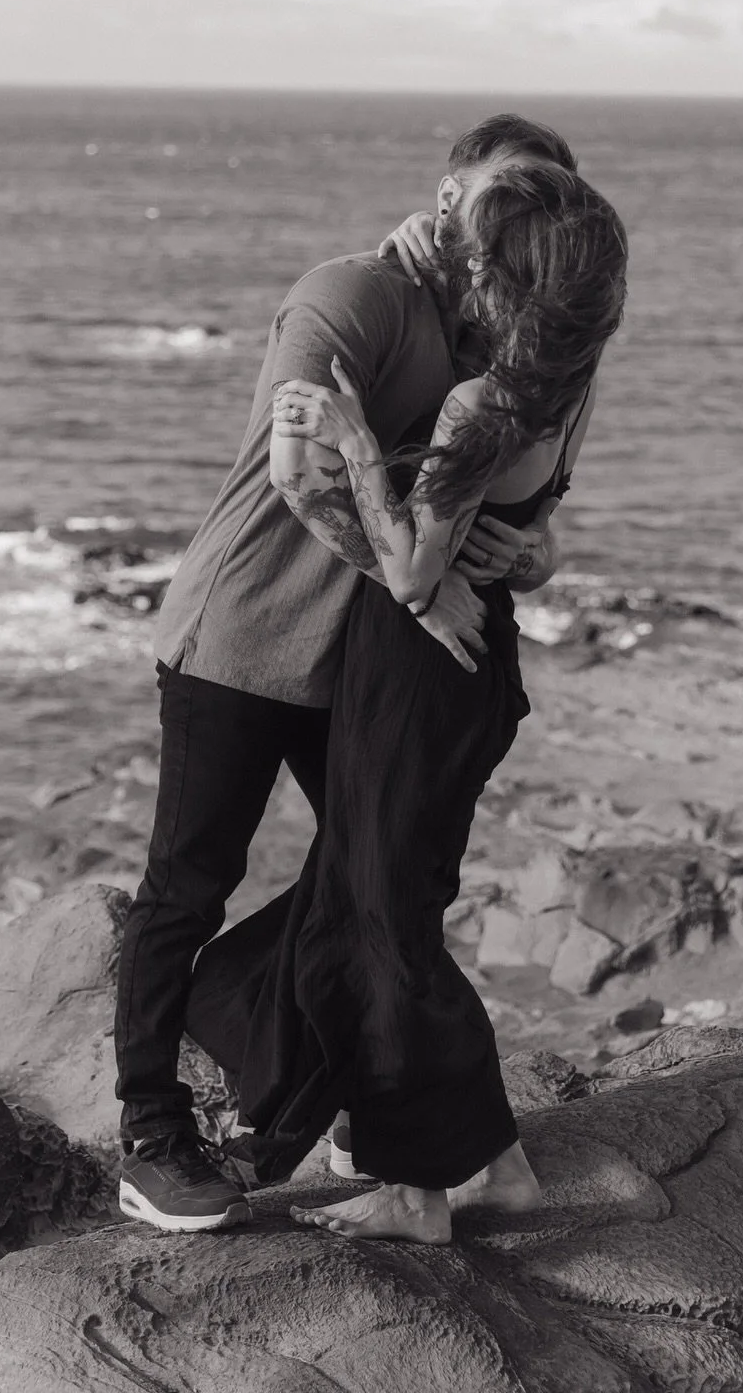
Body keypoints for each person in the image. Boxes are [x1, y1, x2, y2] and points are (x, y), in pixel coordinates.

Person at [113, 114, 580, 1232]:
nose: (500, 240)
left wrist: (533, 554)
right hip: (243, 636)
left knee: (389, 906)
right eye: (491, 206)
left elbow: (533, 511)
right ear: (450, 194)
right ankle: (148, 1135)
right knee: (188, 886)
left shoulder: (516, 346)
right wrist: (431, 581)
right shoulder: (353, 295)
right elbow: (297, 475)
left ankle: (445, 1150)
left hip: (364, 672)